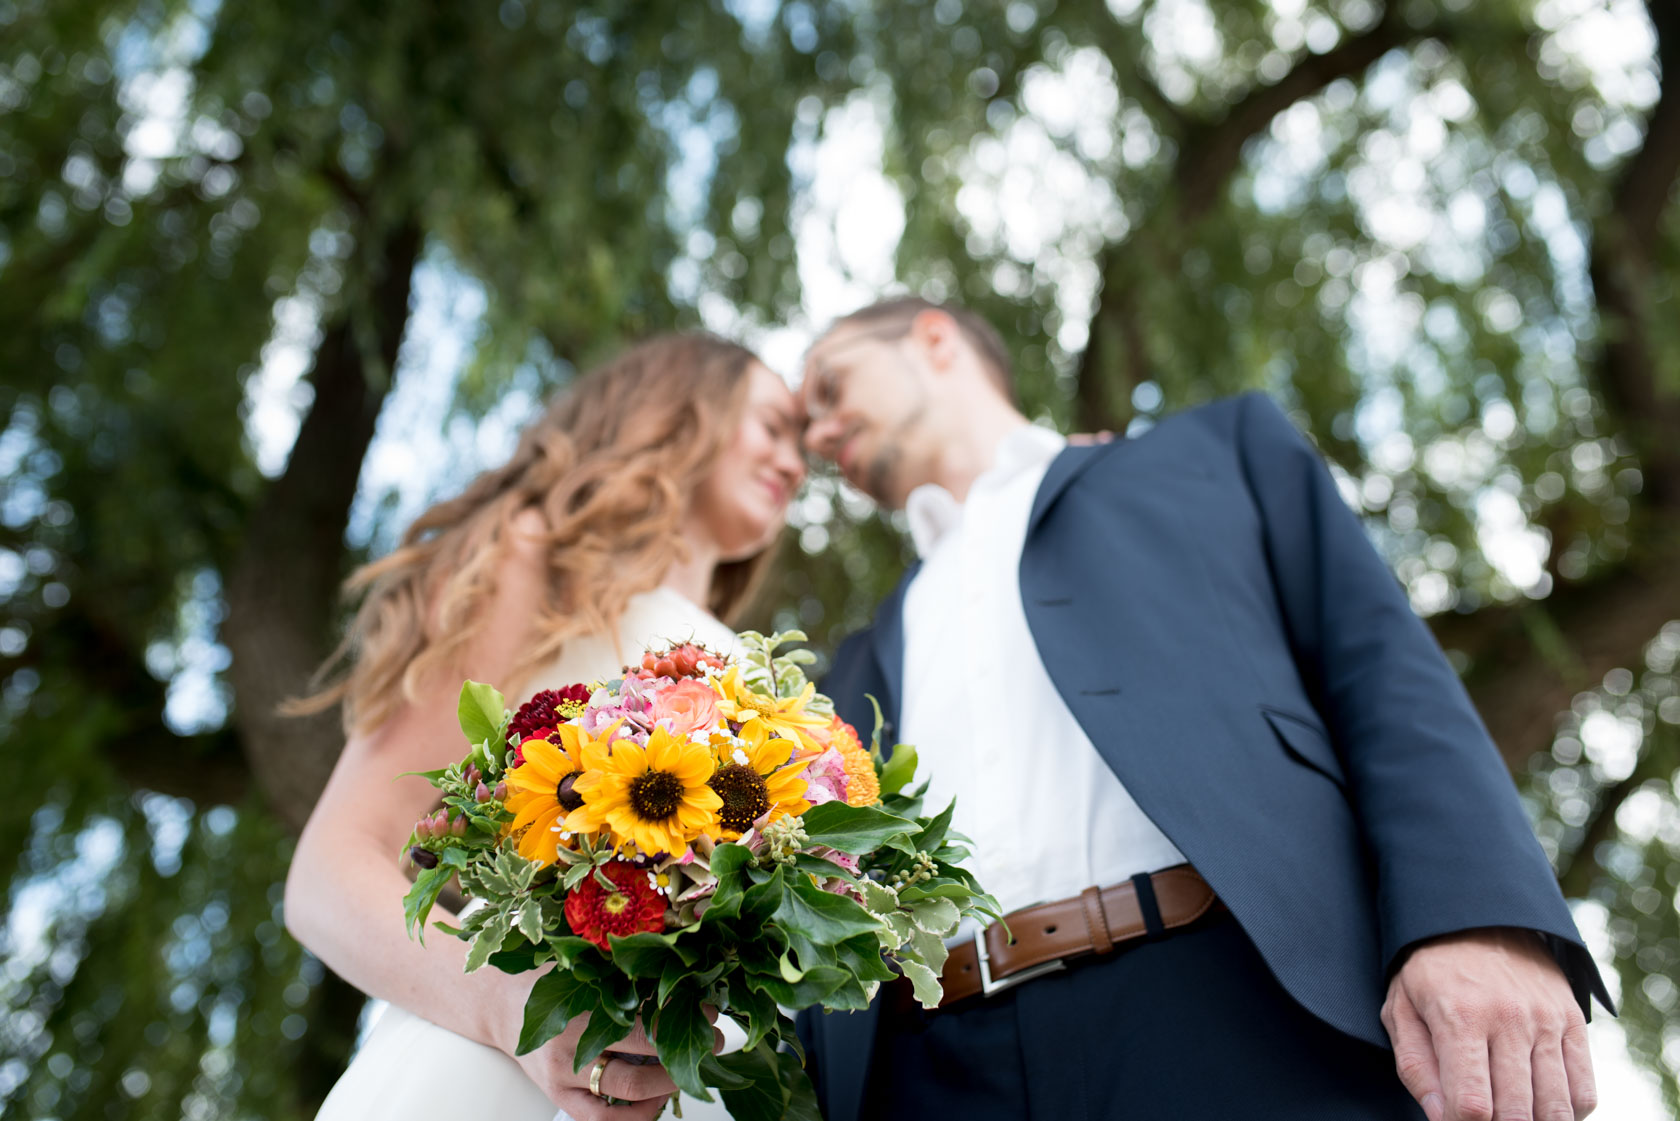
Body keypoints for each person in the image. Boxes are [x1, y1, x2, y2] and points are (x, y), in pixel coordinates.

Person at [794, 297, 1611, 1121]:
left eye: (831, 386)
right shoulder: (856, 657)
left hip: (1240, 1014)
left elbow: (1380, 669)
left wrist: (1476, 918)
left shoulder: (1216, 452)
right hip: (928, 1076)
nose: (820, 435)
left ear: (934, 339)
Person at [282, 333, 807, 1121]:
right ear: (680, 410)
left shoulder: (756, 674)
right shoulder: (542, 561)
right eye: (772, 425)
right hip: (499, 1073)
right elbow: (328, 869)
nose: (796, 463)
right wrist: (509, 1006)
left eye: (802, 444)